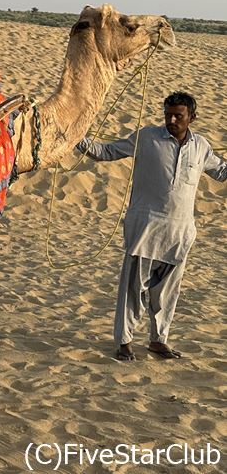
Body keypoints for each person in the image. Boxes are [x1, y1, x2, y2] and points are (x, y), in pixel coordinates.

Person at [75, 92, 226, 362]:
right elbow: (106, 152)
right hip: (146, 227)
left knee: (167, 293)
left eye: (178, 115)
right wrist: (74, 138)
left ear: (192, 117)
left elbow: (221, 172)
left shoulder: (201, 146)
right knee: (133, 289)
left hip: (179, 233)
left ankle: (158, 341)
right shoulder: (146, 137)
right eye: (168, 114)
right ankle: (125, 342)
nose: (171, 119)